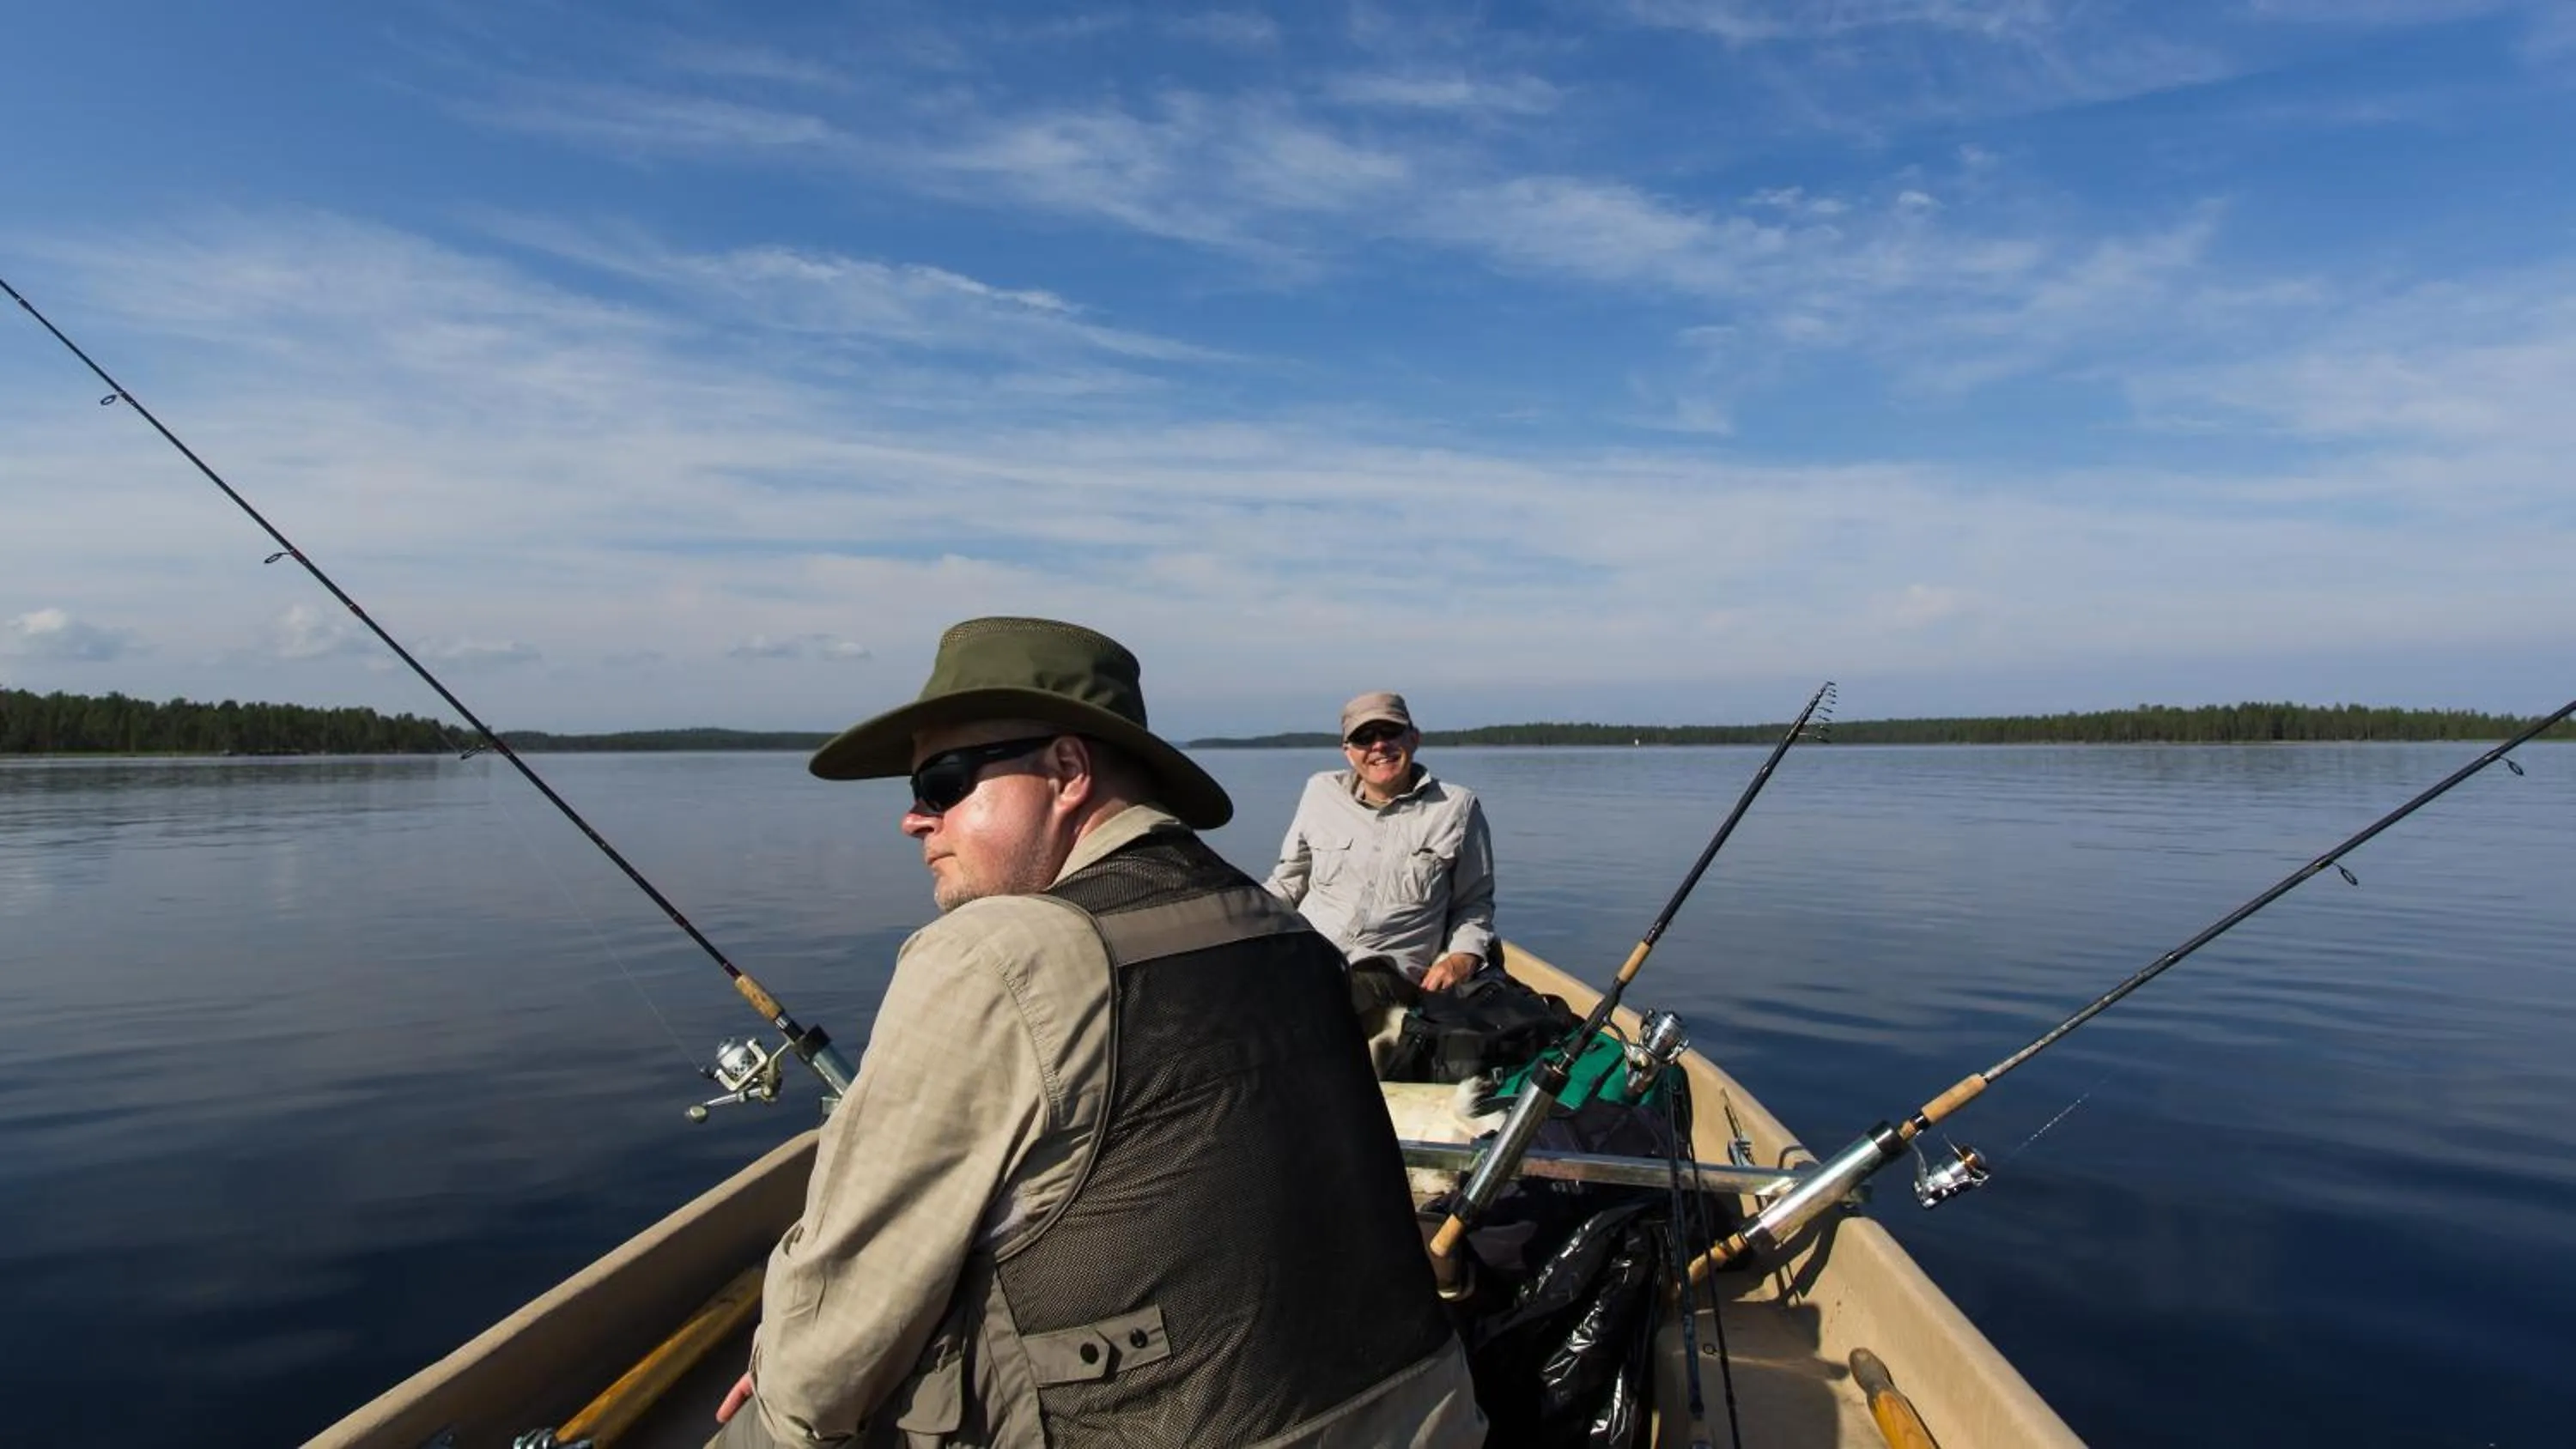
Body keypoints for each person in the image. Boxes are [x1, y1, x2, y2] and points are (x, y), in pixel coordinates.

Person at [713, 617, 1483, 1449]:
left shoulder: (991, 954)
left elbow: (818, 1368)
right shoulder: (1290, 934)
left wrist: (791, 1368)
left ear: (1068, 770)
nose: (913, 818)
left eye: (942, 780)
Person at [1266, 692, 1496, 993]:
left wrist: (1462, 958)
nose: (1378, 746)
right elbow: (1288, 882)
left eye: (1390, 732)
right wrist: (1242, 921)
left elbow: (1474, 903)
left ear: (1413, 739)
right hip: (1307, 957)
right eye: (1363, 737)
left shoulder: (1457, 807)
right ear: (1348, 751)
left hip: (1390, 979)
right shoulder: (1320, 793)